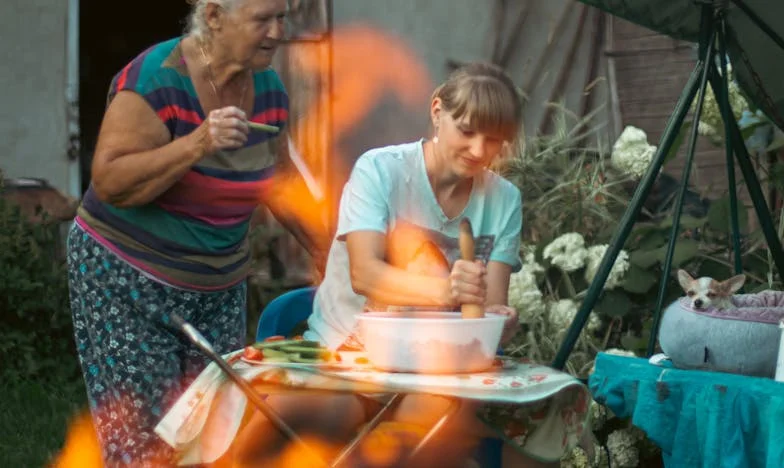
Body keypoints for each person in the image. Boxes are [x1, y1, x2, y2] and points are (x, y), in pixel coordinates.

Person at [233, 63, 558, 467]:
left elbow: (489, 305)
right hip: (347, 356)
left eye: (493, 140)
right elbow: (364, 274)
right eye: (467, 131)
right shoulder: (381, 170)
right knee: (288, 427)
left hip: (436, 368)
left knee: (441, 436)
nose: (479, 151)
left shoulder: (503, 198)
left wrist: (498, 320)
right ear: (438, 111)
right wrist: (446, 290)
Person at [66, 0, 325, 465]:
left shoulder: (267, 85)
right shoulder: (156, 79)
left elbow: (280, 177)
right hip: (127, 279)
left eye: (282, 18)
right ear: (213, 16)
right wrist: (198, 143)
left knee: (213, 434)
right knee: (146, 440)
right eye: (263, 19)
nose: (278, 31)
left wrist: (330, 250)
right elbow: (110, 180)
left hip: (216, 286)